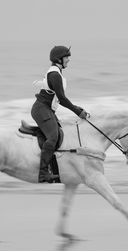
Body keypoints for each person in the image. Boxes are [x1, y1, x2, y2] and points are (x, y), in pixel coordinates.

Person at [31, 45, 89, 183]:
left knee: (59, 134)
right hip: (41, 109)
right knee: (53, 137)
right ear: (59, 59)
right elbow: (62, 99)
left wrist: (77, 108)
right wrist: (77, 111)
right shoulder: (55, 75)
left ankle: (55, 169)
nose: (68, 60)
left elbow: (60, 99)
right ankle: (43, 173)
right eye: (66, 57)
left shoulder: (56, 73)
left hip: (46, 109)